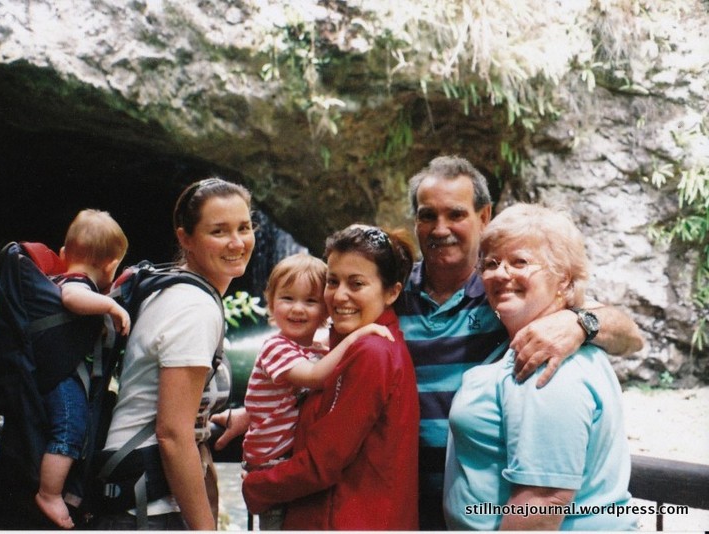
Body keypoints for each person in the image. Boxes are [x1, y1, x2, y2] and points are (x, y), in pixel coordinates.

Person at [396, 155, 644, 529]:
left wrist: (577, 323)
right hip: (409, 500)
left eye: (456, 214)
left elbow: (630, 334)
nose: (439, 228)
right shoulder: (389, 294)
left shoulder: (512, 302)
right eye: (427, 215)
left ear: (483, 216)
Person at [443, 202, 637, 530]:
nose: (501, 273)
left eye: (520, 262)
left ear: (563, 282)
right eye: (491, 263)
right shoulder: (526, 343)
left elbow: (542, 503)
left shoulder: (546, 364)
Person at [94, 177, 255, 530]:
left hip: (133, 490)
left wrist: (226, 417)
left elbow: (157, 401)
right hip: (145, 506)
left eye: (244, 227)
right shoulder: (194, 308)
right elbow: (171, 433)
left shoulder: (172, 288)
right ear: (186, 239)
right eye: (219, 231)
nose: (237, 241)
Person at [242, 225, 420, 530]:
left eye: (357, 284)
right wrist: (245, 415)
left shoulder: (371, 352)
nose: (339, 296)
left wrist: (256, 486)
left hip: (349, 518)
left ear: (391, 292)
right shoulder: (346, 345)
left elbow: (322, 463)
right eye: (332, 281)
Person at [35, 209, 131, 529]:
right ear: (109, 266)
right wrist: (111, 305)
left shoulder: (58, 276)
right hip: (65, 377)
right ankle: (49, 493)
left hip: (61, 373)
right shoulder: (76, 283)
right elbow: (74, 298)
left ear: (64, 254)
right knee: (69, 429)